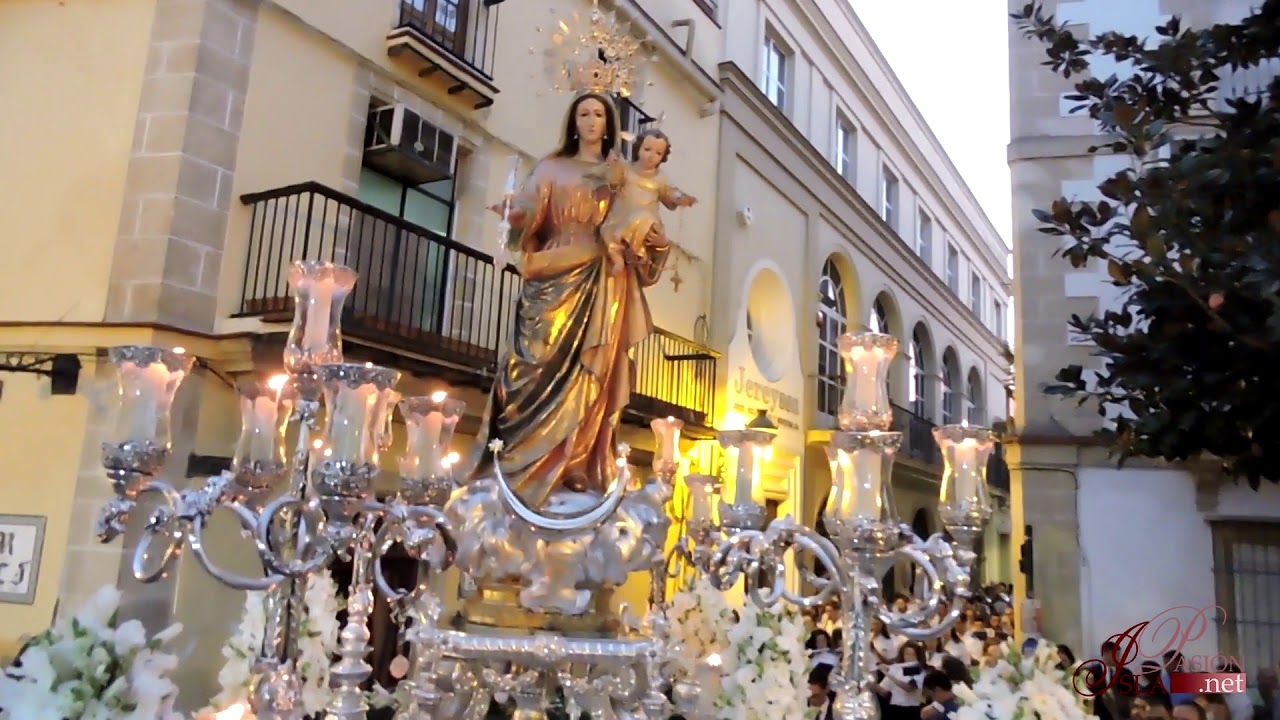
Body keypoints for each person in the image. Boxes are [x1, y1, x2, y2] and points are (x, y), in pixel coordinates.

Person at [474, 92, 672, 509]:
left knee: (592, 371)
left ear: (609, 122)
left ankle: (577, 462)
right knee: (534, 362)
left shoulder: (620, 174)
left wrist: (656, 242)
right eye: (584, 113)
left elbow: (638, 221)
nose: (591, 120)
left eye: (598, 113)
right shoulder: (551, 167)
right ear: (573, 120)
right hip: (555, 268)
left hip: (604, 278)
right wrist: (515, 215)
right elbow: (528, 214)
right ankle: (518, 459)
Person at [598, 127, 696, 273]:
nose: (651, 156)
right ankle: (619, 259)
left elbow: (670, 192)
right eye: (647, 149)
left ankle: (635, 252)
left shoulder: (661, 179)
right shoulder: (626, 169)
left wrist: (680, 198)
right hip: (619, 219)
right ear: (638, 148)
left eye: (658, 153)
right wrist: (614, 165)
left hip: (644, 225)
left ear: (663, 157)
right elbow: (613, 182)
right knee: (612, 238)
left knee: (643, 216)